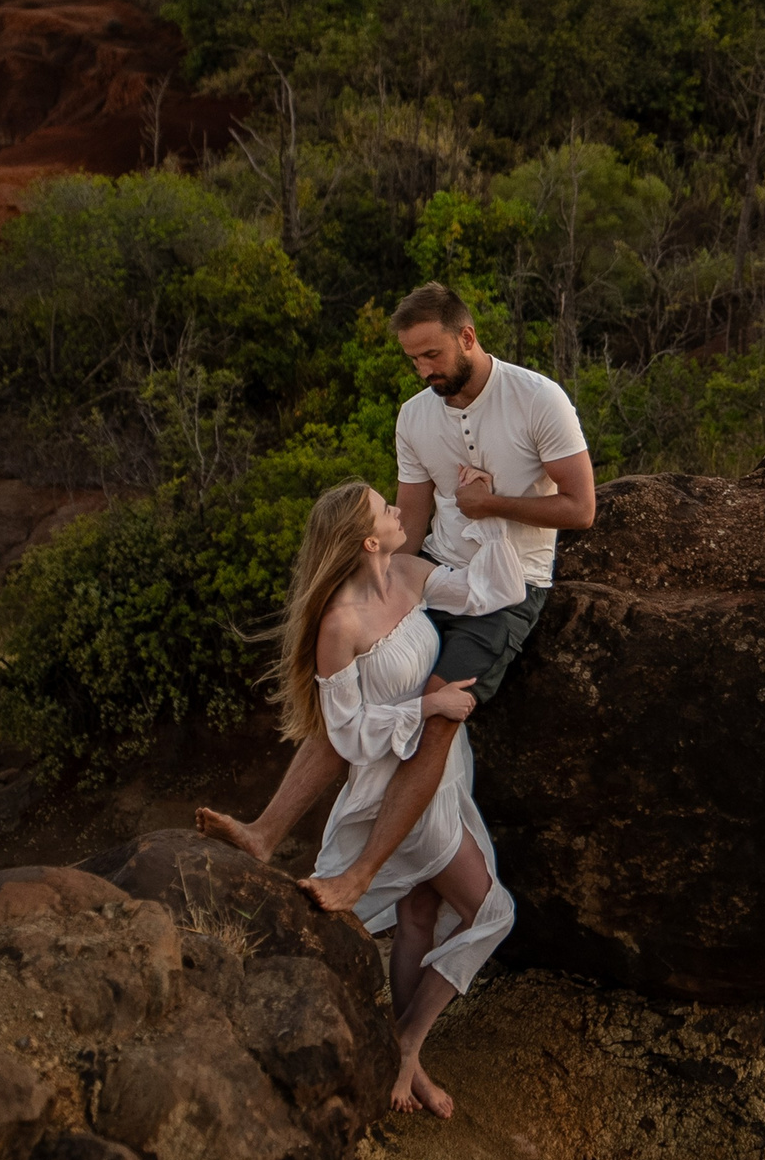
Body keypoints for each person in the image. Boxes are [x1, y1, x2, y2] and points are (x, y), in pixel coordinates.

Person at [197, 281, 594, 900]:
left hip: (510, 587)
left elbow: (582, 507)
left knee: (438, 714)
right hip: (435, 570)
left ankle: (357, 876)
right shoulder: (414, 416)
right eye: (413, 359)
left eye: (432, 355)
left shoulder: (538, 399)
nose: (425, 370)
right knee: (358, 687)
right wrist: (362, 602)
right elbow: (408, 524)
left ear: (467, 336)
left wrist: (487, 503)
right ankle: (264, 832)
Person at [273, 476, 523, 1117]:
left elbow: (493, 592)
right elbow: (350, 732)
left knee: (417, 920)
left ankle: (402, 1060)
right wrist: (430, 703)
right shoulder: (340, 624)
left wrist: (487, 513)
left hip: (441, 771)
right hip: (396, 784)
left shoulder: (410, 572)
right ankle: (407, 1045)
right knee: (492, 913)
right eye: (386, 509)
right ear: (366, 540)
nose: (397, 508)